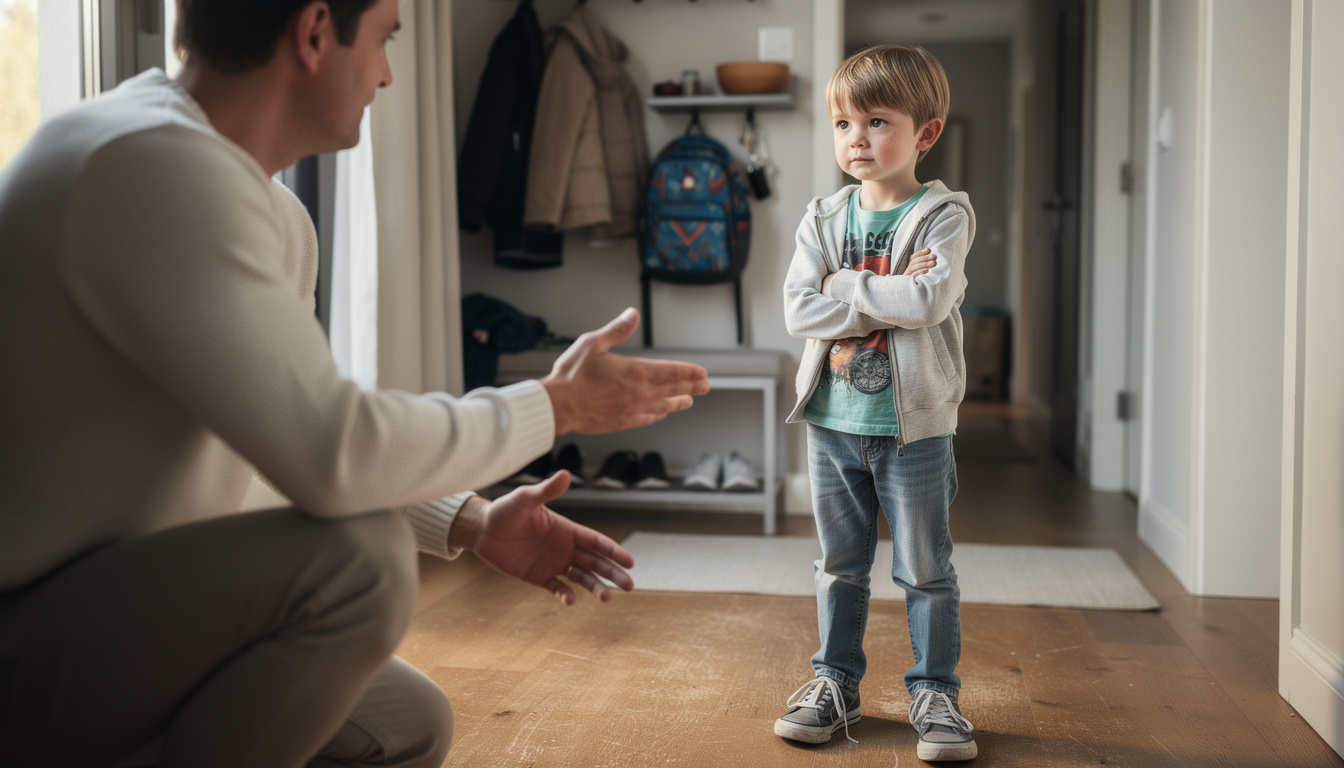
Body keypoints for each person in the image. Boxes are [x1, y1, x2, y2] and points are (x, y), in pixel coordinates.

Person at [0, 0, 709, 765]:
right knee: (358, 563)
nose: (387, 72)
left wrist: (472, 521)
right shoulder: (145, 162)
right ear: (313, 34)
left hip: (115, 606)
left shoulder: (266, 208)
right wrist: (555, 404)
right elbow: (335, 453)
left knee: (407, 724)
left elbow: (297, 434)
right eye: (383, 39)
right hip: (28, 627)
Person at [777, 42, 978, 761]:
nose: (855, 140)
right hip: (832, 422)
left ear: (925, 133)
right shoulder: (822, 217)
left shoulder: (943, 217)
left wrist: (841, 289)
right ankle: (833, 681)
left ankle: (935, 692)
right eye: (842, 125)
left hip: (912, 428)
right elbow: (798, 311)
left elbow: (929, 298)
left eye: (876, 122)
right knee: (839, 564)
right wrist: (872, 295)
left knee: (925, 567)